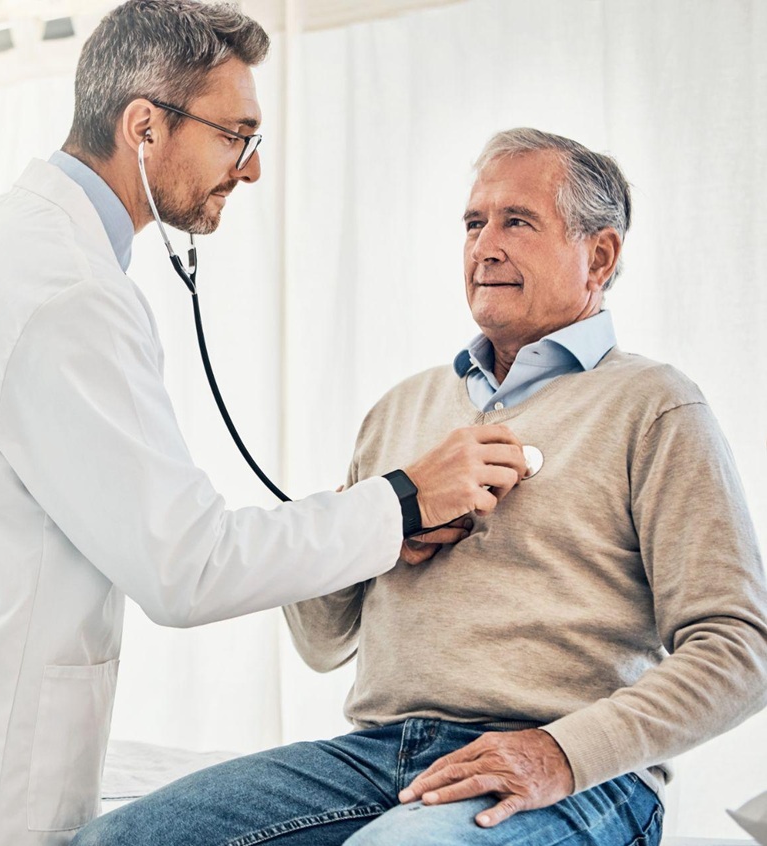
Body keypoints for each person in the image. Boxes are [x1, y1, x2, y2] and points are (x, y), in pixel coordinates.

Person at [0, 4, 529, 845]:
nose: (249, 170)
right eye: (234, 135)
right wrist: (399, 502)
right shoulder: (65, 294)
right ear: (144, 127)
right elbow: (187, 565)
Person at [73, 128, 767, 846]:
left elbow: (739, 648)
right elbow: (321, 638)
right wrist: (381, 524)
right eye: (474, 223)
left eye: (517, 222)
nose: (484, 246)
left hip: (572, 772)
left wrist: (563, 754)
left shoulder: (653, 405)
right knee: (112, 841)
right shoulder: (402, 409)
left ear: (600, 255)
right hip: (378, 752)